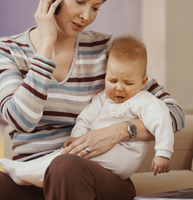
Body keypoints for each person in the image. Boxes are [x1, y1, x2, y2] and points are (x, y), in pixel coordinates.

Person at [0, 0, 184, 200]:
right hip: (34, 183)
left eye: (96, 7)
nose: (86, 15)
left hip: (97, 178)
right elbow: (21, 121)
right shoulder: (9, 50)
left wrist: (122, 130)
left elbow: (174, 113)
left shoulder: (106, 49)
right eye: (80, 2)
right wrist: (46, 48)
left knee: (65, 167)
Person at [0, 35, 174, 187]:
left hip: (123, 155)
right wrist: (76, 137)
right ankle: (26, 171)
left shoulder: (144, 100)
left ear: (143, 82)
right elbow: (84, 119)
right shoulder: (101, 98)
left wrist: (163, 153)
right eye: (113, 80)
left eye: (128, 83)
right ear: (105, 75)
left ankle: (25, 174)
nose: (119, 88)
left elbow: (163, 120)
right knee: (65, 156)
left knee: (66, 161)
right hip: (94, 153)